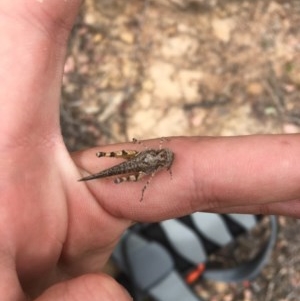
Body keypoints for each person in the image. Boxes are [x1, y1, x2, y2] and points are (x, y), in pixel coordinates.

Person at [0, 1, 299, 300]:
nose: (166, 158)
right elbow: (148, 163)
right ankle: (137, 262)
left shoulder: (158, 160)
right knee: (120, 166)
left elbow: (152, 163)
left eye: (165, 158)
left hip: (140, 164)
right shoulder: (155, 161)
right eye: (164, 157)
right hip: (136, 162)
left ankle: (131, 262)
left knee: (128, 175)